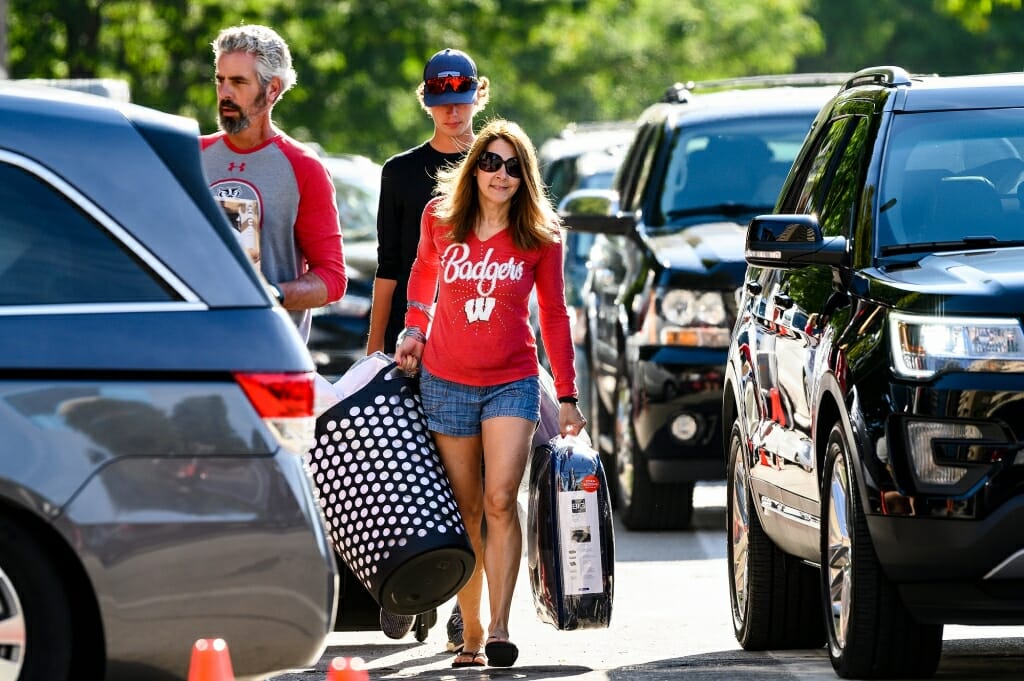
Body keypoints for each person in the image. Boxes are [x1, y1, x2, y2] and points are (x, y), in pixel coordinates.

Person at [395, 118, 587, 668]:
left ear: (524, 176)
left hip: (512, 381)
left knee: (502, 499)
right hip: (446, 380)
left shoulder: (539, 235)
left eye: (512, 166)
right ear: (475, 167)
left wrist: (567, 394)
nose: (500, 174)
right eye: (490, 162)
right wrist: (413, 327)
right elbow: (421, 274)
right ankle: (471, 632)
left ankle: (500, 627)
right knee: (468, 507)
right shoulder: (442, 218)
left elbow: (553, 314)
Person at [368, 47, 490, 648]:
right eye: (441, 103)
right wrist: (374, 352)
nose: (452, 113)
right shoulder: (400, 171)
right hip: (413, 343)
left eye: (461, 100)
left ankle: (466, 608)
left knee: (478, 480)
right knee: (408, 470)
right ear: (427, 103)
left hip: (483, 341)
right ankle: (410, 588)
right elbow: (390, 268)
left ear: (479, 95)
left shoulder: (499, 163)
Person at [200, 24, 347, 341]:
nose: (225, 92)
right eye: (220, 80)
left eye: (239, 82)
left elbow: (332, 278)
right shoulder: (191, 155)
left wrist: (270, 295)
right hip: (198, 348)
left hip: (270, 352)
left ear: (272, 89)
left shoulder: (304, 167)